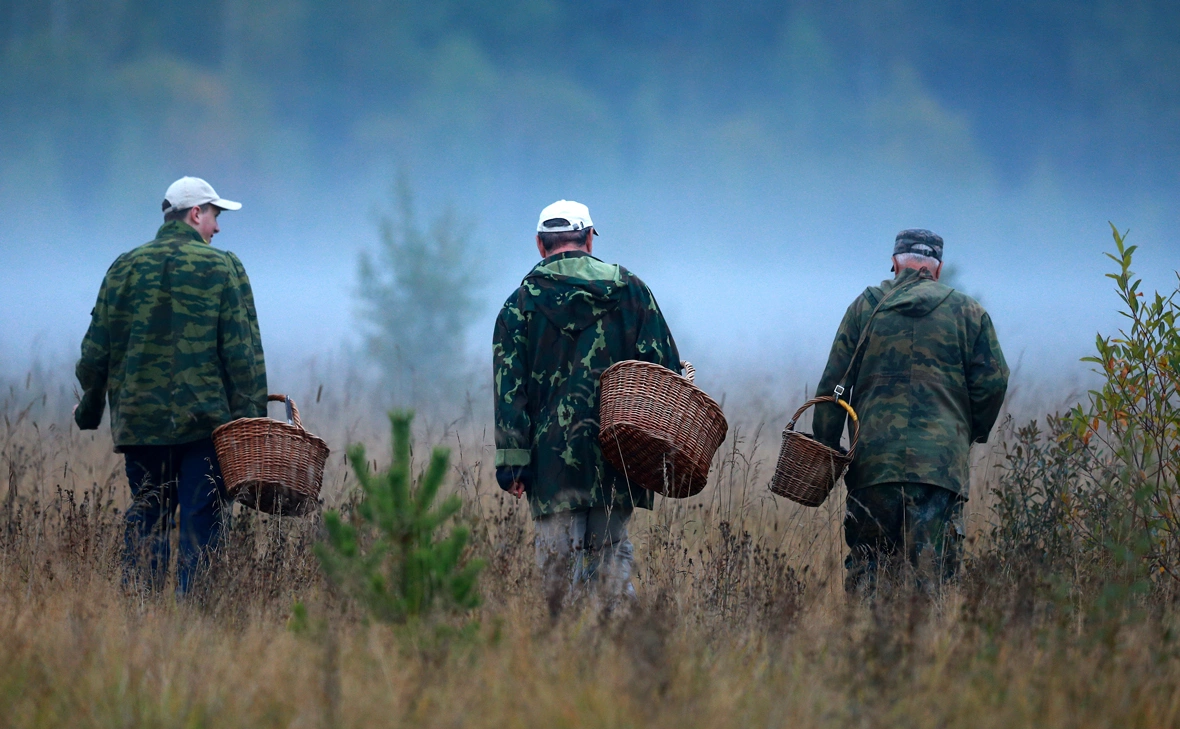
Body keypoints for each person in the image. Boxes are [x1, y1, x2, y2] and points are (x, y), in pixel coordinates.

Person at [74, 176, 267, 595]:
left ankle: (142, 620)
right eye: (215, 215)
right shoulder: (223, 268)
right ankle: (193, 627)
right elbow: (243, 355)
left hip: (141, 427)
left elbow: (94, 355)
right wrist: (251, 426)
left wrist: (89, 412)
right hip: (205, 430)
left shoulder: (123, 268)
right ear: (196, 213)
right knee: (201, 528)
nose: (217, 227)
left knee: (149, 521)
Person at [493, 200, 680, 615]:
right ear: (590, 239)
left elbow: (510, 391)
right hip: (618, 457)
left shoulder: (517, 305)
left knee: (557, 580)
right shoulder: (631, 291)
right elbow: (665, 371)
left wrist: (512, 463)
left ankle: (563, 660)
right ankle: (616, 654)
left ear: (541, 245)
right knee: (611, 567)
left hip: (548, 467)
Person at [812, 229, 1009, 594]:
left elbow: (832, 386)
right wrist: (968, 433)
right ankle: (925, 650)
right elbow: (994, 382)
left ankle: (865, 648)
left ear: (894, 264)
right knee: (930, 583)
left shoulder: (865, 307)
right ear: (938, 269)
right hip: (938, 470)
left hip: (873, 467)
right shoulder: (969, 313)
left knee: (868, 577)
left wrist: (824, 448)